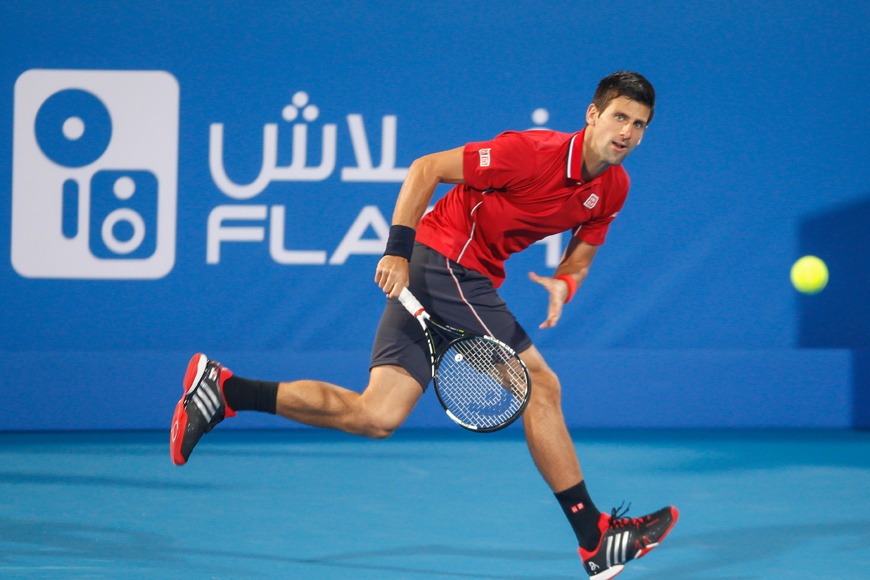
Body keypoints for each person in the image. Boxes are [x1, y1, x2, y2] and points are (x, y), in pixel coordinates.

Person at [171, 70, 678, 579]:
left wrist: (564, 285)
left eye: (639, 124)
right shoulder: (529, 152)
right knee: (540, 386)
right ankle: (595, 538)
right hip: (445, 261)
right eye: (619, 117)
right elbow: (425, 168)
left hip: (459, 274)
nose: (627, 132)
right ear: (593, 115)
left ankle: (226, 391)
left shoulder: (614, 187)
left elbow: (582, 255)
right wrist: (398, 249)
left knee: (378, 415)